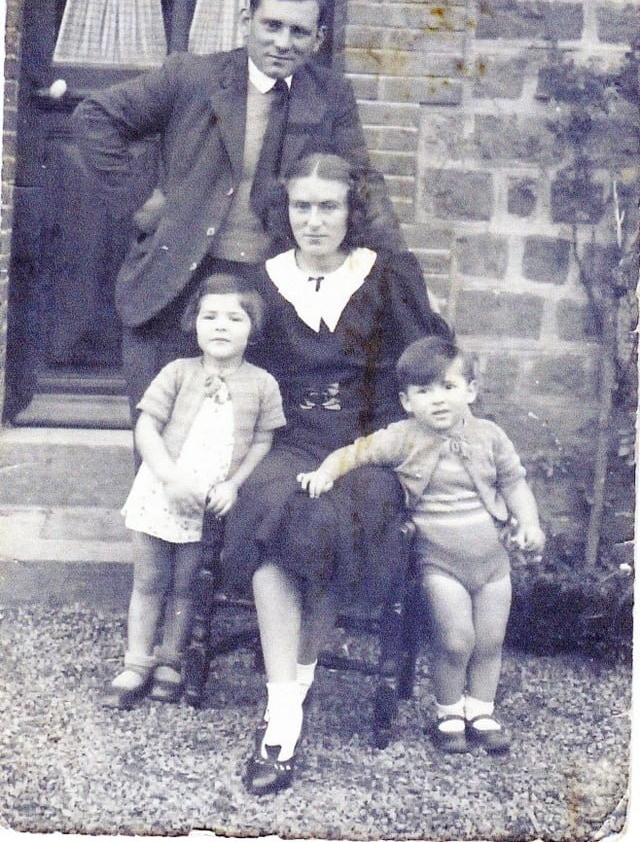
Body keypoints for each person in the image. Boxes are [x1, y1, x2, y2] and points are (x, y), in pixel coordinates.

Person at [72, 0, 404, 423]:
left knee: (256, 438)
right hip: (178, 281)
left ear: (319, 38)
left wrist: (401, 274)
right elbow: (95, 117)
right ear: (247, 20)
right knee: (165, 435)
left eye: (299, 31)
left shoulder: (329, 96)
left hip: (273, 292)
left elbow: (360, 183)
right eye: (272, 26)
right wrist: (139, 198)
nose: (283, 43)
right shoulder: (192, 76)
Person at [218, 153, 452, 794]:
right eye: (302, 206)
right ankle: (283, 714)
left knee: (321, 527)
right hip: (285, 444)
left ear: (353, 211)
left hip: (367, 447)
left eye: (329, 206)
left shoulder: (386, 277)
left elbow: (425, 367)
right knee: (274, 531)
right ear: (284, 209)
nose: (314, 220)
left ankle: (292, 690)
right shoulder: (260, 283)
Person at [299, 335, 546, 756]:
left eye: (448, 388)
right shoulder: (403, 437)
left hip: (492, 562)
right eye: (424, 391)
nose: (438, 400)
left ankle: (481, 710)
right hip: (440, 563)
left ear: (470, 390)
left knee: (489, 640)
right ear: (407, 401)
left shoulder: (489, 436)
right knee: (455, 639)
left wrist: (531, 524)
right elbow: (356, 453)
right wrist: (325, 471)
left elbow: (514, 482)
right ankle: (449, 711)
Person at [104, 273, 285, 710]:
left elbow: (263, 441)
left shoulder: (263, 384)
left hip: (207, 504)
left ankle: (171, 659)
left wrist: (233, 485)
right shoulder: (177, 373)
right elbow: (146, 426)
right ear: (194, 324)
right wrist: (168, 475)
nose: (220, 326)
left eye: (234, 318)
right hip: (161, 491)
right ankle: (136, 662)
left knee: (188, 584)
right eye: (210, 316)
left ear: (253, 329)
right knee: (149, 580)